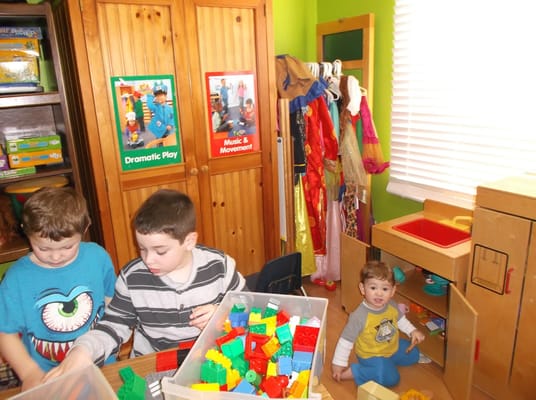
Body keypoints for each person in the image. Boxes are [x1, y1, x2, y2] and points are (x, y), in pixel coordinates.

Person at [45, 189, 247, 381]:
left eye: (160, 251)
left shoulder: (219, 266)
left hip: (212, 363)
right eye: (142, 248)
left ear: (189, 241)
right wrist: (83, 351)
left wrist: (223, 316)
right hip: (153, 365)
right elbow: (114, 325)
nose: (149, 260)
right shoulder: (132, 277)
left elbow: (250, 306)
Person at [0, 187, 116, 391]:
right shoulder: (16, 278)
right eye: (43, 248)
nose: (55, 257)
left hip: (101, 366)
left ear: (85, 227)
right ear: (26, 232)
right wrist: (29, 373)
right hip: (48, 378)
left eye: (66, 247)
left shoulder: (98, 257)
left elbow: (113, 307)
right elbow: (5, 333)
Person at [331, 260, 425, 388]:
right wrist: (338, 363)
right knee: (392, 379)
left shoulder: (391, 305)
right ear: (362, 288)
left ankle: (386, 364)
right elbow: (345, 341)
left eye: (385, 289)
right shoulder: (359, 316)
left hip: (392, 348)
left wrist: (413, 331)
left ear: (392, 291)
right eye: (373, 288)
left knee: (414, 353)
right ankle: (357, 371)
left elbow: (401, 320)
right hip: (371, 356)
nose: (379, 293)